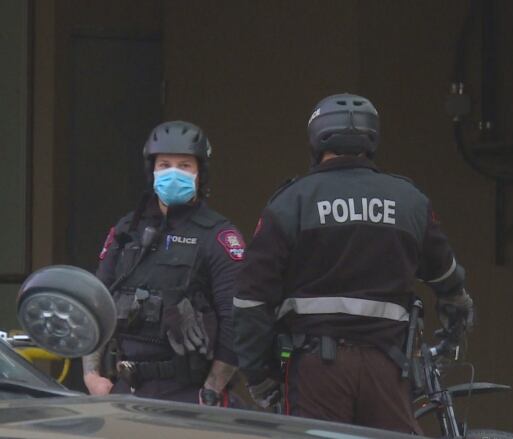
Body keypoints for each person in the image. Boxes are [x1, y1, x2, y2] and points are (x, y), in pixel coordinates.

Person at [233, 93, 475, 433]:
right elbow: (446, 276)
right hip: (388, 369)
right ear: (371, 139)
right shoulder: (409, 201)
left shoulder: (291, 203)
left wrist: (260, 377)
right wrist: (456, 309)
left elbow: (250, 300)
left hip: (317, 373)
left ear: (316, 139)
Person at [82, 121, 245, 406]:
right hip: (125, 390)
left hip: (188, 394)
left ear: (199, 174)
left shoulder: (218, 236)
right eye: (164, 164)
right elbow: (95, 301)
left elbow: (238, 321)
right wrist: (92, 376)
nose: (173, 173)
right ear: (152, 171)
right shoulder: (126, 231)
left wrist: (210, 390)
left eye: (184, 165)